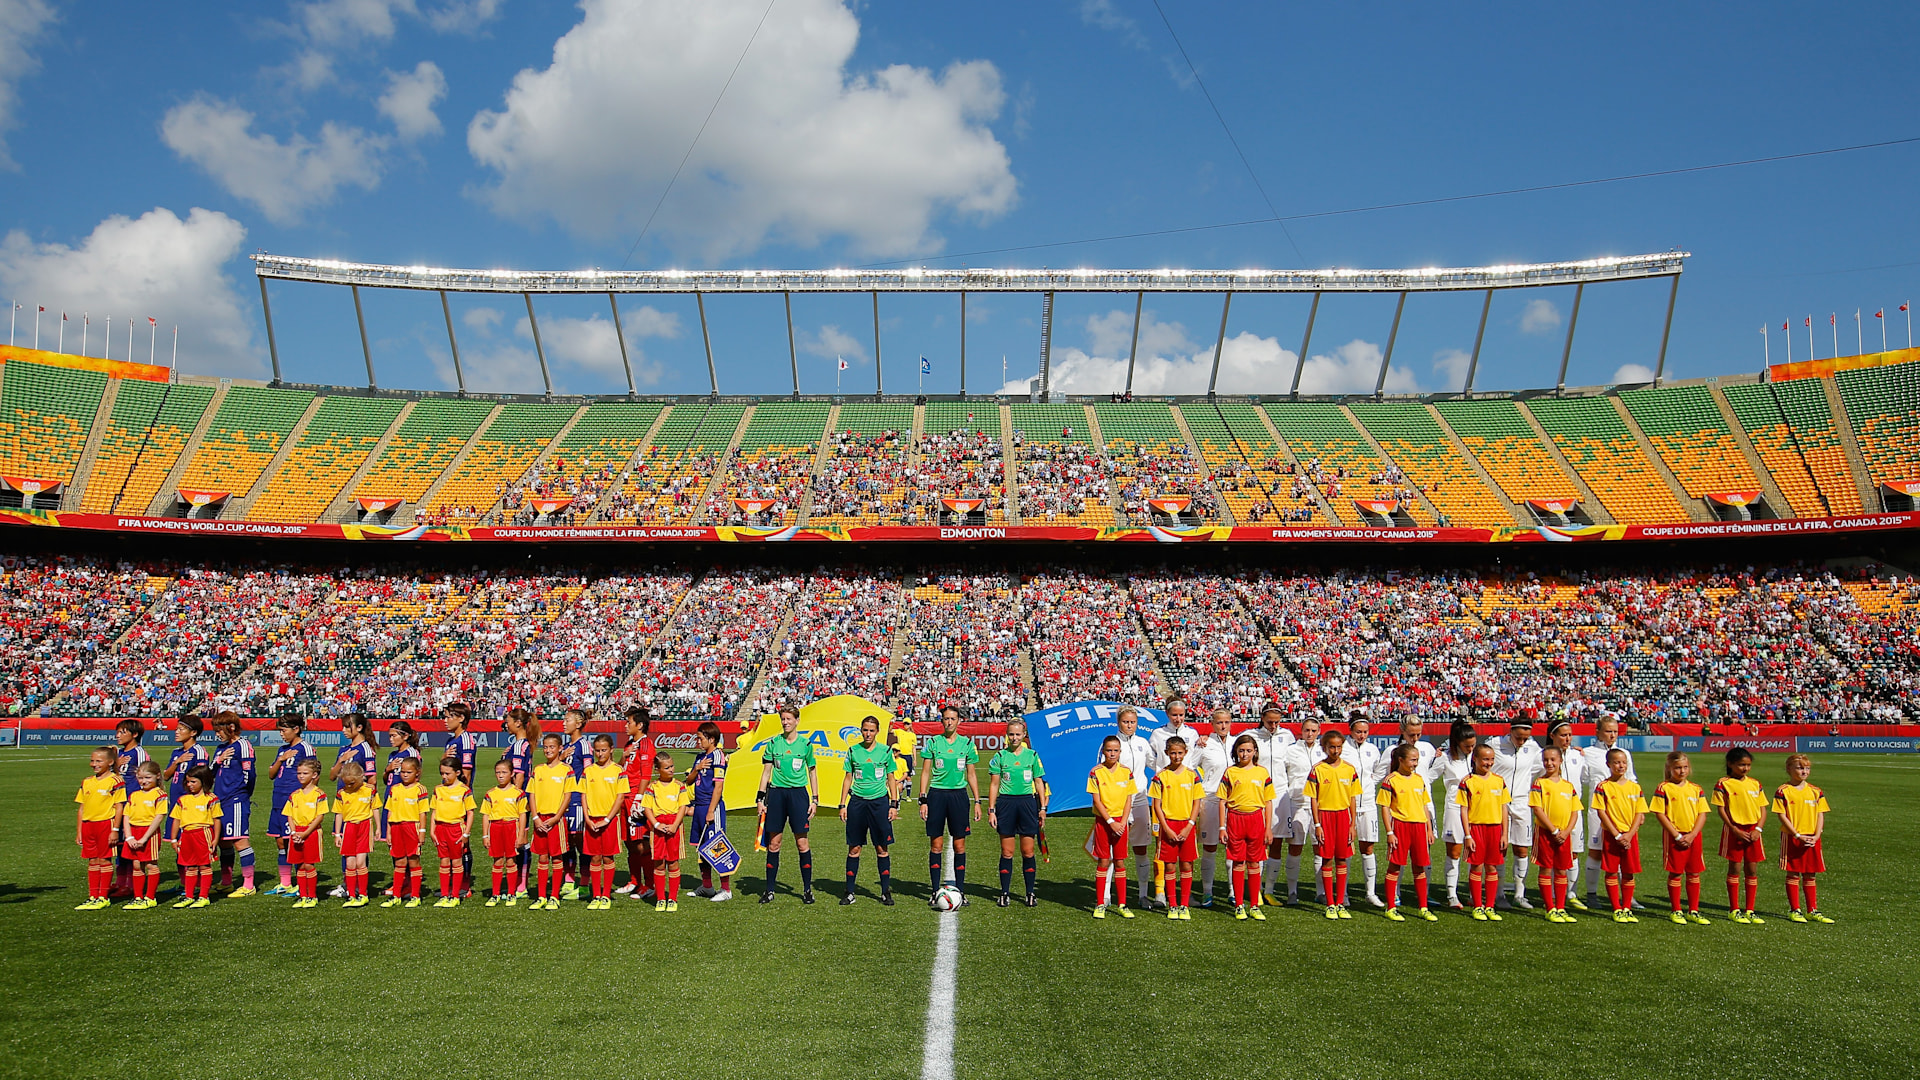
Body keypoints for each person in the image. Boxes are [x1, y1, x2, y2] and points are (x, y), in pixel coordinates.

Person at [918, 706, 980, 906]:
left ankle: (960, 892)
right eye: (946, 719)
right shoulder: (933, 743)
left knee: (959, 845)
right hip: (937, 795)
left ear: (959, 721)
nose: (949, 722)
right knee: (936, 845)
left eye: (953, 719)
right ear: (941, 721)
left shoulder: (967, 744)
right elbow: (925, 772)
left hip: (959, 797)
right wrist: (923, 799)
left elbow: (971, 774)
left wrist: (977, 801)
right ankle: (935, 891)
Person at [757, 705, 820, 904]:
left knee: (802, 844)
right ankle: (769, 890)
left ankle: (807, 889)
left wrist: (815, 799)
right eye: (783, 719)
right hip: (776, 795)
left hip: (798, 796)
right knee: (774, 844)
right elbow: (766, 773)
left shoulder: (806, 744)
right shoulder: (773, 743)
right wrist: (760, 798)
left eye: (788, 719)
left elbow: (812, 772)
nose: (785, 722)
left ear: (797, 721)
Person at [987, 717, 1047, 908]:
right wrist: (991, 810)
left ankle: (1030, 893)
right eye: (1011, 734)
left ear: (1024, 735)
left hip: (1027, 804)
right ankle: (1004, 893)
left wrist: (1043, 808)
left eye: (1017, 734)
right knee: (1007, 851)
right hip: (1006, 804)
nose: (1014, 737)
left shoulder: (1032, 755)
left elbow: (1039, 783)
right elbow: (994, 784)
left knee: (1028, 851)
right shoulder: (1000, 756)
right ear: (1007, 735)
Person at [841, 715, 899, 906]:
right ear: (860, 730)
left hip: (880, 804)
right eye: (865, 729)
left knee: (881, 848)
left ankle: (885, 892)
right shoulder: (853, 750)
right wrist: (842, 804)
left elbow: (891, 779)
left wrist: (894, 804)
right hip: (857, 803)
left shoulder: (885, 751)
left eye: (871, 730)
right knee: (854, 848)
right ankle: (849, 892)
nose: (868, 733)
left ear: (877, 732)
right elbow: (848, 778)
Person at [1484, 717, 1542, 910]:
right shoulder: (1495, 744)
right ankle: (1499, 894)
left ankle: (1519, 893)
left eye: (1526, 737)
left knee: (1522, 848)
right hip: (1498, 802)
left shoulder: (1533, 748)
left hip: (1522, 802)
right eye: (1519, 737)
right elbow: (1476, 757)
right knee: (1501, 847)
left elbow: (1544, 766)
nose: (1522, 741)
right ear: (1511, 732)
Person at [1305, 728, 1362, 919]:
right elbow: (1313, 798)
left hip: (1343, 817)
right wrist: (1317, 824)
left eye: (1338, 747)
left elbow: (1353, 798)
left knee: (1342, 859)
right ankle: (1329, 903)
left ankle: (1340, 902)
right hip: (1326, 817)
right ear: (1324, 747)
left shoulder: (1349, 769)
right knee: (1327, 859)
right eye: (1331, 747)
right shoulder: (1318, 769)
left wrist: (1352, 824)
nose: (1335, 751)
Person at [1376, 744, 1437, 922]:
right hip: (1400, 827)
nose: (1415, 764)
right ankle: (1391, 907)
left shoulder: (1419, 779)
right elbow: (1385, 807)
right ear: (1401, 760)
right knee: (1395, 866)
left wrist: (1429, 829)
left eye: (1417, 760)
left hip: (1419, 827)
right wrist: (1389, 832)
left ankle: (1423, 907)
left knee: (1420, 867)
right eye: (1412, 760)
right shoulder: (1391, 780)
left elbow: (1424, 805)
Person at [1579, 716, 1635, 910]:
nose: (1612, 735)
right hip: (1599, 810)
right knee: (1596, 851)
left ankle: (1627, 896)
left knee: (1623, 850)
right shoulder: (1587, 753)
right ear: (1598, 732)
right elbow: (1583, 780)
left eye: (1615, 731)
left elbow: (1632, 781)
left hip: (1623, 811)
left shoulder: (1624, 753)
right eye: (1608, 731)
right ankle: (1592, 893)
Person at [1217, 734, 1274, 921]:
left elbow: (1268, 802)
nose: (1245, 753)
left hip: (1256, 820)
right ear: (1236, 752)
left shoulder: (1262, 772)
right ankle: (1239, 904)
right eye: (1241, 750)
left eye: (1249, 750)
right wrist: (1222, 827)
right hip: (1235, 819)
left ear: (1255, 752)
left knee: (1255, 862)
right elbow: (1222, 801)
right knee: (1238, 862)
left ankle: (1255, 905)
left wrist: (1268, 828)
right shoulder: (1230, 772)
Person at [1648, 751, 1710, 925]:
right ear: (1669, 769)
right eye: (1677, 768)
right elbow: (1659, 813)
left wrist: (1692, 834)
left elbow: (1702, 814)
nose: (1682, 771)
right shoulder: (1664, 788)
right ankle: (1676, 910)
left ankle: (1693, 910)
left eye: (1685, 767)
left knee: (1694, 873)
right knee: (1676, 873)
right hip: (1674, 836)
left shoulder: (1696, 789)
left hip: (1693, 836)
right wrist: (1676, 835)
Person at [1147, 735, 1202, 920]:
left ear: (1186, 753)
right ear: (1166, 753)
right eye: (1173, 753)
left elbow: (1197, 803)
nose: (1176, 756)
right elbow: (1156, 805)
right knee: (1169, 866)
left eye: (1180, 753)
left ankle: (1184, 905)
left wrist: (1190, 825)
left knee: (1186, 865)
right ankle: (1172, 905)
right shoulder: (1160, 776)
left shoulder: (1192, 776)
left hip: (1187, 824)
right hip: (1168, 825)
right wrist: (1166, 828)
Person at [1106, 706, 1156, 909]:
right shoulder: (1112, 744)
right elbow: (1104, 774)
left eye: (1132, 722)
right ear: (1118, 722)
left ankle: (1143, 894)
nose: (1129, 725)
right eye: (1125, 722)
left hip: (1141, 799)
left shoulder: (1142, 743)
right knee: (1112, 851)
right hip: (1118, 803)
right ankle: (1107, 893)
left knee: (1141, 847)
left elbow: (1157, 764)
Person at [1772, 754, 1832, 924]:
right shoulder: (1783, 790)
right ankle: (1794, 909)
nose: (1804, 771)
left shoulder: (1816, 791)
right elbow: (1781, 814)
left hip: (1812, 837)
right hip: (1793, 836)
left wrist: (1817, 835)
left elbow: (1821, 814)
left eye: (1806, 768)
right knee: (1793, 872)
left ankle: (1812, 909)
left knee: (1810, 873)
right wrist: (1797, 834)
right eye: (1799, 767)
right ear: (1789, 769)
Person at [1712, 746, 1769, 924]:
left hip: (1753, 831)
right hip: (1735, 830)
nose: (1745, 768)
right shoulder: (1723, 784)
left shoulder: (1755, 783)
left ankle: (1750, 909)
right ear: (1730, 764)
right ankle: (1734, 909)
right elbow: (1721, 809)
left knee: (1752, 870)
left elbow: (1763, 808)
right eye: (1741, 765)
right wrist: (1734, 829)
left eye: (1748, 765)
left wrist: (1758, 829)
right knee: (1735, 868)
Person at [1527, 746, 1582, 923]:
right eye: (1546, 760)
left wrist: (1566, 832)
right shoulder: (1539, 783)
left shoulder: (1568, 786)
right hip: (1546, 833)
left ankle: (1561, 907)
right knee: (1546, 868)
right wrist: (1554, 830)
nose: (1549, 763)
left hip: (1564, 835)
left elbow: (1575, 811)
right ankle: (1550, 908)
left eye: (1553, 760)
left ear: (1560, 761)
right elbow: (1537, 809)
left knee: (1561, 870)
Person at [1455, 743, 1509, 922]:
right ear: (1475, 759)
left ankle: (1490, 906)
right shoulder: (1467, 781)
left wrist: (1504, 834)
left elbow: (1504, 809)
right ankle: (1477, 906)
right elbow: (1463, 810)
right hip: (1476, 829)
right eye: (1485, 759)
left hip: (1495, 829)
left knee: (1492, 867)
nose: (1489, 763)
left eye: (1492, 759)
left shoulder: (1499, 781)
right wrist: (1468, 835)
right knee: (1477, 866)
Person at [1592, 748, 1645, 923]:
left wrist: (1629, 834)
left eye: (1623, 762)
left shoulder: (1635, 787)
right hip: (1612, 836)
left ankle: (1627, 908)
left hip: (1630, 837)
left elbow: (1639, 812)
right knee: (1612, 872)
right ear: (1608, 765)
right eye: (1616, 762)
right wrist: (1616, 834)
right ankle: (1616, 908)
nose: (1620, 765)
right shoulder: (1603, 787)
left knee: (1629, 873)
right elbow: (1601, 812)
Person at [577, 734, 629, 910]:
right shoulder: (588, 771)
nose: (600, 754)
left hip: (609, 821)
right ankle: (596, 894)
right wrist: (587, 817)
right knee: (594, 857)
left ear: (611, 750)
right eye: (597, 750)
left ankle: (606, 895)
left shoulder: (618, 771)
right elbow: (583, 795)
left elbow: (620, 798)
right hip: (591, 821)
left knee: (607, 857)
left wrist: (607, 819)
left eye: (604, 750)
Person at [266, 716, 316, 898]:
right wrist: (281, 759)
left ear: (296, 729)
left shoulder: (305, 748)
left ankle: (299, 881)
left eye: (284, 730)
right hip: (278, 799)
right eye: (280, 730)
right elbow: (271, 774)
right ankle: (285, 882)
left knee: (294, 840)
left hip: (294, 802)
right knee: (280, 841)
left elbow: (315, 773)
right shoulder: (283, 750)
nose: (281, 734)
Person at [1087, 735, 1136, 919]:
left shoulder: (1126, 772)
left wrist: (1122, 822)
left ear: (1120, 752)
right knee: (1103, 861)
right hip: (1104, 822)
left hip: (1121, 823)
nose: (1112, 753)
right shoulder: (1096, 772)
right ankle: (1100, 904)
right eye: (1109, 750)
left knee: (1120, 862)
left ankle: (1122, 904)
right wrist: (1110, 822)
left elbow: (1128, 798)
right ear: (1103, 751)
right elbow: (1096, 800)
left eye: (1116, 750)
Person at [329, 713, 378, 899]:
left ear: (358, 728)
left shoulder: (365, 750)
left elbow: (371, 780)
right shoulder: (344, 750)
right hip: (344, 804)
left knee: (359, 849)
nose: (343, 730)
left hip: (359, 807)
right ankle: (347, 883)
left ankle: (357, 886)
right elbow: (332, 776)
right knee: (345, 846)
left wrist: (368, 804)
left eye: (347, 726)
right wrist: (341, 760)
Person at [1188, 708, 1233, 907]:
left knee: (1234, 848)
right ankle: (1207, 891)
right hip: (1211, 799)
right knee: (1210, 847)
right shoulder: (1204, 744)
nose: (1223, 726)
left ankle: (1233, 891)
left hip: (1235, 801)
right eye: (1219, 722)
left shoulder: (1238, 742)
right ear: (1213, 723)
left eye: (1226, 722)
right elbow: (1189, 768)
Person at [1248, 705, 1294, 902]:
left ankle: (1269, 890)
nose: (1274, 725)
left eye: (1277, 721)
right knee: (1258, 843)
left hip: (1282, 794)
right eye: (1269, 722)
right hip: (1258, 794)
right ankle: (1255, 890)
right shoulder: (1252, 735)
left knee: (1277, 842)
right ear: (1262, 718)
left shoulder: (1288, 736)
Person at [209, 712, 257, 897]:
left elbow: (249, 775)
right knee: (223, 843)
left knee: (239, 840)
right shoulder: (221, 749)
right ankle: (227, 882)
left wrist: (243, 794)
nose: (217, 735)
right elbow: (209, 774)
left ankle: (248, 884)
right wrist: (218, 760)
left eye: (219, 730)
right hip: (220, 800)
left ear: (231, 728)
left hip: (235, 799)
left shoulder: (243, 745)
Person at [73, 746, 126, 911]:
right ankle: (93, 896)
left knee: (104, 860)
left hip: (105, 824)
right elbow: (81, 808)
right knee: (92, 861)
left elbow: (119, 807)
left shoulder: (116, 781)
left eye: (98, 761)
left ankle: (103, 896)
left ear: (110, 762)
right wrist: (79, 831)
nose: (94, 764)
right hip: (89, 826)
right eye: (92, 760)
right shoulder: (87, 782)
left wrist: (115, 829)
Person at [1543, 722, 1589, 908]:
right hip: (1551, 814)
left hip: (1574, 812)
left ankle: (1571, 893)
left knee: (1574, 852)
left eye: (1569, 735)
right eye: (1563, 735)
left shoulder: (1578, 755)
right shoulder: (1545, 756)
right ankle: (1554, 893)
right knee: (1552, 855)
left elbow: (1585, 779)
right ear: (1552, 736)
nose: (1567, 738)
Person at [525, 732, 573, 910]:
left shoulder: (566, 770)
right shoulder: (538, 770)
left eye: (552, 747)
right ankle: (541, 896)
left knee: (557, 857)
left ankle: (554, 896)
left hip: (556, 819)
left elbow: (567, 796)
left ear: (560, 748)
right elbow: (532, 794)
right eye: (545, 747)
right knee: (542, 857)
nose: (548, 750)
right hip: (540, 819)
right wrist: (536, 817)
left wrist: (556, 818)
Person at [1276, 717, 1320, 905]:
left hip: (1320, 806)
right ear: (1301, 731)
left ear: (1319, 731)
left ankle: (1321, 892)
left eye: (1313, 730)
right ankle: (1292, 891)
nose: (1310, 734)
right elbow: (1280, 774)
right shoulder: (1291, 750)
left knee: (1320, 848)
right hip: (1298, 804)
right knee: (1296, 847)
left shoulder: (1323, 750)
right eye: (1307, 730)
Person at [687, 721, 733, 901]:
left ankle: (726, 889)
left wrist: (711, 811)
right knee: (701, 849)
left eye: (701, 738)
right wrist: (697, 769)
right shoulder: (699, 758)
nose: (698, 742)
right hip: (698, 806)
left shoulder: (718, 756)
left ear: (711, 739)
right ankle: (707, 886)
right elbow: (689, 781)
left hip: (711, 807)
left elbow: (718, 787)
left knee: (717, 847)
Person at [641, 753, 692, 912]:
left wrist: (675, 825)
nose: (671, 769)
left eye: (672, 766)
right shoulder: (652, 787)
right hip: (658, 827)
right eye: (667, 767)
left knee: (673, 862)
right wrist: (655, 824)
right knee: (659, 862)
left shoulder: (679, 786)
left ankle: (673, 899)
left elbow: (683, 806)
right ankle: (661, 898)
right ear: (658, 770)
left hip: (674, 827)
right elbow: (647, 808)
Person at [1343, 716, 1384, 908]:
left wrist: (1367, 785)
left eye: (1365, 732)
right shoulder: (1343, 748)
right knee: (1347, 848)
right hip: (1347, 804)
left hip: (1368, 803)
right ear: (1351, 731)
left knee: (1368, 848)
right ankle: (1343, 892)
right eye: (1358, 731)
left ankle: (1370, 892)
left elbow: (1377, 772)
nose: (1362, 735)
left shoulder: (1373, 750)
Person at [618, 706, 657, 900]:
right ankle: (634, 881)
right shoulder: (629, 745)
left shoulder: (646, 745)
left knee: (641, 843)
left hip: (635, 796)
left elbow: (645, 775)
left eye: (629, 722)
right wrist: (623, 756)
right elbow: (620, 768)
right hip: (623, 796)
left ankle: (649, 884)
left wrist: (639, 800)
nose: (626, 725)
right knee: (628, 841)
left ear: (639, 725)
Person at [1437, 721, 1477, 909]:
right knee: (1454, 852)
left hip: (1477, 808)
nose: (1471, 749)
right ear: (1457, 742)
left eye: (1473, 745)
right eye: (1467, 745)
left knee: (1474, 852)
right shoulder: (1445, 758)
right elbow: (1427, 777)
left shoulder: (1477, 756)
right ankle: (1452, 894)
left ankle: (1473, 893)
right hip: (1454, 806)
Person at [169, 766, 220, 909]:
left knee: (204, 866)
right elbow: (176, 820)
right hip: (186, 835)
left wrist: (215, 839)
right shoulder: (183, 800)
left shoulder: (211, 798)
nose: (189, 785)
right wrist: (174, 838)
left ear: (203, 782)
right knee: (190, 867)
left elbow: (217, 820)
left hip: (203, 833)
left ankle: (204, 896)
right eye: (187, 782)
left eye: (193, 781)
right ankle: (189, 896)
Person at [332, 760, 381, 908]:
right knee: (350, 863)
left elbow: (375, 809)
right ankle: (351, 895)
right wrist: (337, 833)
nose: (349, 786)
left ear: (361, 777)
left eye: (352, 783)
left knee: (361, 862)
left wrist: (378, 828)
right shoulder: (342, 793)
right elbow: (339, 814)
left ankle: (363, 894)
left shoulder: (370, 790)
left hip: (364, 827)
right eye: (346, 783)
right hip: (349, 829)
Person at [109, 719, 149, 898]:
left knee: (130, 845)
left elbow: (145, 777)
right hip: (118, 803)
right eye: (117, 732)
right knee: (118, 845)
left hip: (132, 805)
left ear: (134, 734)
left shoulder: (138, 753)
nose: (118, 735)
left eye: (122, 732)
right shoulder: (120, 754)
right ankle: (120, 881)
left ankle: (131, 884)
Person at [382, 756, 429, 908]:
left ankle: (415, 895)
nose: (405, 775)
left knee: (413, 861)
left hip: (412, 827)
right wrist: (388, 832)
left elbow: (423, 813)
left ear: (417, 773)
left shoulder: (420, 789)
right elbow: (390, 811)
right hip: (396, 828)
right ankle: (396, 895)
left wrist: (422, 831)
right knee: (399, 862)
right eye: (402, 772)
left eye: (409, 772)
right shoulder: (395, 789)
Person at [281, 758, 328, 909]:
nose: (301, 776)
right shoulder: (295, 795)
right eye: (299, 773)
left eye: (305, 773)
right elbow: (289, 814)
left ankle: (312, 896)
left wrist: (306, 833)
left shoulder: (319, 794)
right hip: (297, 832)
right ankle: (302, 895)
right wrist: (294, 832)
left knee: (309, 864)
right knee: (299, 865)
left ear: (314, 775)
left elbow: (320, 816)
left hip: (311, 832)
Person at [430, 756, 476, 908]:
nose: (444, 776)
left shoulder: (464, 790)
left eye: (447, 773)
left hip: (456, 829)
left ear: (457, 773)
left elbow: (470, 813)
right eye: (442, 773)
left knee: (456, 861)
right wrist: (432, 830)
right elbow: (434, 811)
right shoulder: (438, 789)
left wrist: (466, 833)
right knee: (443, 861)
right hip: (441, 829)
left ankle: (455, 895)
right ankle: (444, 895)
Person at [480, 758, 528, 908]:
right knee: (497, 861)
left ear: (512, 774)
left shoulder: (518, 793)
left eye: (504, 772)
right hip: (495, 827)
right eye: (498, 772)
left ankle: (511, 893)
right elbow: (486, 815)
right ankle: (495, 894)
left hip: (511, 827)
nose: (500, 775)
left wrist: (520, 835)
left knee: (511, 861)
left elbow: (522, 815)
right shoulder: (490, 794)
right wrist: (485, 835)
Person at [442, 703, 478, 896]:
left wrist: (462, 795)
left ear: (461, 718)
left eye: (449, 716)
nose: (445, 720)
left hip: (458, 799)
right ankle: (452, 882)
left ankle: (464, 883)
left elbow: (466, 772)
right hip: (446, 798)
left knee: (462, 842)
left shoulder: (465, 740)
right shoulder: (450, 741)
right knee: (448, 842)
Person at [121, 761, 168, 909]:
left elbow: (159, 817)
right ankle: (138, 897)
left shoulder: (160, 795)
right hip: (133, 833)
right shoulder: (134, 795)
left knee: (150, 864)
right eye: (140, 778)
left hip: (149, 833)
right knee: (136, 865)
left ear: (157, 776)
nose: (144, 781)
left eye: (148, 777)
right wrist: (129, 837)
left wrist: (144, 838)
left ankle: (150, 897)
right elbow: (126, 816)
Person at [503, 707, 538, 897]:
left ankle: (520, 883)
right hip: (524, 798)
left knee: (519, 841)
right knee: (520, 840)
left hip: (518, 799)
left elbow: (518, 776)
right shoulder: (524, 744)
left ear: (518, 723)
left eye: (508, 720)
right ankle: (519, 881)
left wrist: (512, 799)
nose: (505, 724)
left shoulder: (519, 746)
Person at [560, 708, 594, 900]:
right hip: (564, 800)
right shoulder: (566, 746)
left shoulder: (584, 745)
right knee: (566, 843)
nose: (563, 723)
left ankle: (584, 884)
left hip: (578, 801)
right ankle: (569, 880)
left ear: (578, 724)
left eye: (567, 720)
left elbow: (589, 774)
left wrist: (584, 799)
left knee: (581, 843)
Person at [162, 717, 208, 848]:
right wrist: (177, 762)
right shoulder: (176, 752)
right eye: (176, 729)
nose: (176, 732)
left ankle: (198, 869)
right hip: (176, 803)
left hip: (190, 804)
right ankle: (183, 869)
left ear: (193, 732)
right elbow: (165, 776)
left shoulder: (198, 751)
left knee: (190, 844)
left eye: (181, 729)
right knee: (176, 844)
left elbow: (202, 777)